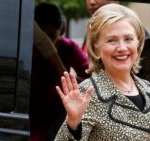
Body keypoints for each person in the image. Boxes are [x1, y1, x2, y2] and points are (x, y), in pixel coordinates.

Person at [54, 3, 150, 141]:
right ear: (96, 48)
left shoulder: (148, 89)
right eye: (112, 40)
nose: (122, 48)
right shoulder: (88, 93)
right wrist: (73, 123)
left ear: (138, 43)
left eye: (128, 39)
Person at [30, 3, 90, 141]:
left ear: (60, 30)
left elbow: (91, 80)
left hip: (56, 120)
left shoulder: (68, 48)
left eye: (52, 35)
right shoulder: (23, 49)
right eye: (42, 36)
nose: (47, 42)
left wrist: (70, 80)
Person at [82, 0, 150, 56]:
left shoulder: (139, 33)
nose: (91, 2)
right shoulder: (92, 30)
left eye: (128, 39)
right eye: (111, 40)